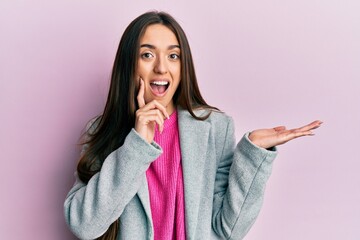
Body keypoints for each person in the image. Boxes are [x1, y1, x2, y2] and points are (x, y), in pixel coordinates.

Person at [64, 11, 322, 240]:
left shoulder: (214, 129)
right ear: (129, 64)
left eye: (173, 55)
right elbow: (85, 226)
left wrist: (253, 154)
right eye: (147, 54)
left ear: (182, 65)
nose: (161, 67)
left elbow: (228, 230)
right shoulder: (102, 129)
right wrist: (138, 144)